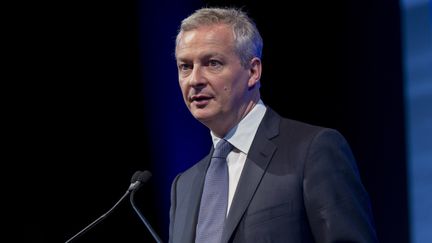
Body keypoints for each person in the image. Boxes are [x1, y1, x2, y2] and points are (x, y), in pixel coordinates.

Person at [169, 7, 378, 243]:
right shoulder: (183, 186)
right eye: (185, 66)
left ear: (253, 71)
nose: (195, 80)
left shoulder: (312, 151)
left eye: (212, 63)